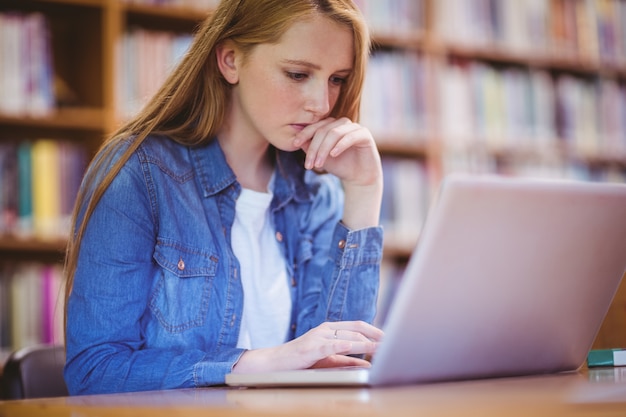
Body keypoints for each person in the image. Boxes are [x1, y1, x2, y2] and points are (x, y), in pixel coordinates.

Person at [63, 0, 384, 395]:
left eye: (337, 79)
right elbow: (95, 372)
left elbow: (341, 364)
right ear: (230, 60)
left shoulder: (316, 193)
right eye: (298, 74)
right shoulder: (140, 173)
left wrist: (364, 192)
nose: (321, 103)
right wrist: (261, 363)